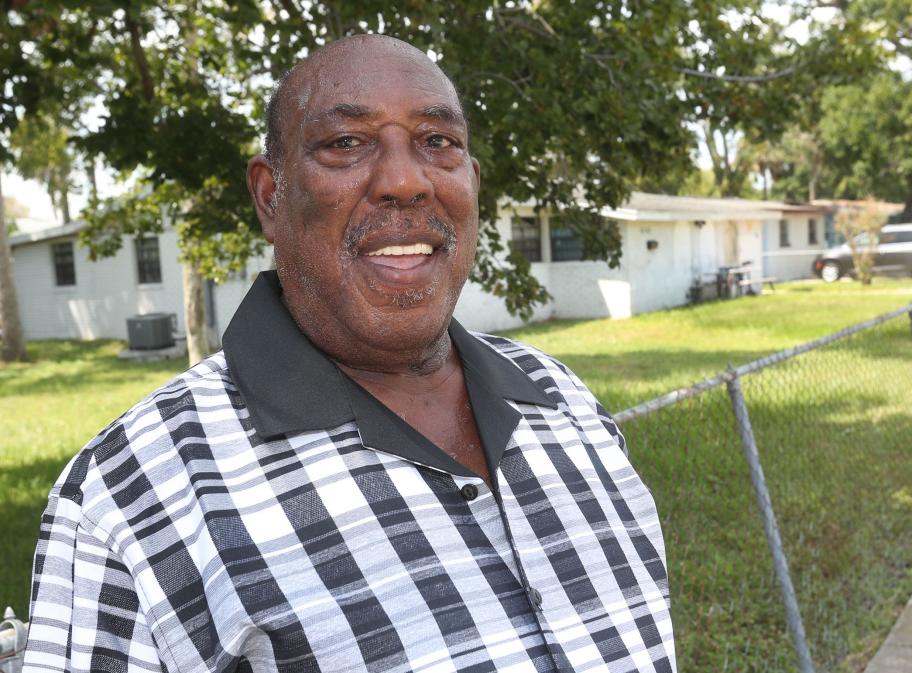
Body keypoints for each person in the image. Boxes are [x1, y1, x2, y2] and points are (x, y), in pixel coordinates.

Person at [24, 35, 674, 673]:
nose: (403, 180)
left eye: (436, 142)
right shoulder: (130, 494)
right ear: (269, 195)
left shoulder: (563, 401)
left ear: (472, 183)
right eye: (345, 143)